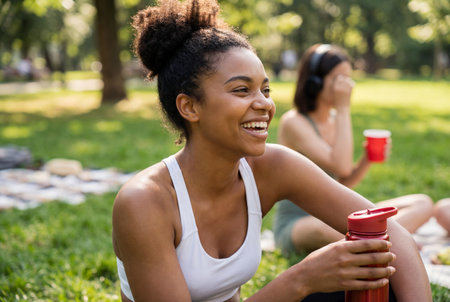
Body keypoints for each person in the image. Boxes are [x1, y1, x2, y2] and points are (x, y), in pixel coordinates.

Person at [112, 1, 432, 301]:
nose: (265, 104)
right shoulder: (144, 202)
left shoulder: (271, 165)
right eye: (241, 90)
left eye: (265, 89)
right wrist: (300, 279)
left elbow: (395, 237)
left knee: (382, 279)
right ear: (190, 107)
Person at [273, 44, 435, 256]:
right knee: (326, 229)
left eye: (348, 78)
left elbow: (342, 181)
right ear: (315, 82)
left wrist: (366, 160)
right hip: (300, 224)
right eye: (338, 78)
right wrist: (343, 108)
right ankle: (396, 239)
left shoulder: (334, 120)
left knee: (422, 203)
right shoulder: (294, 122)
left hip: (335, 214)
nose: (346, 85)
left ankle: (384, 240)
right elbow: (340, 164)